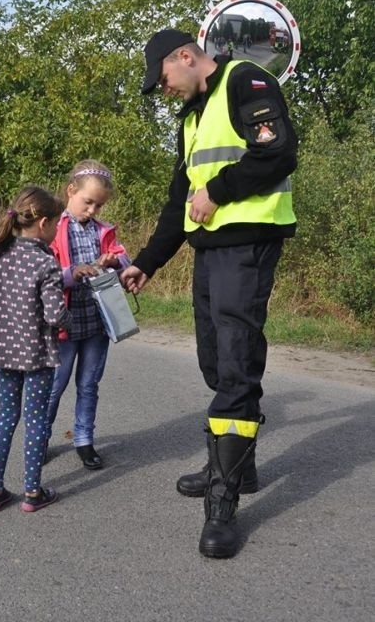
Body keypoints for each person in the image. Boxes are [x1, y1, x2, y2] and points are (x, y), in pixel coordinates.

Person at [121, 29, 297, 558]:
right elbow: (181, 201)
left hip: (248, 244)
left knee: (237, 366)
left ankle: (223, 502)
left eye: (165, 79)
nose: (166, 89)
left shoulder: (247, 79)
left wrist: (218, 191)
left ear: (185, 56)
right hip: (210, 251)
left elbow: (278, 153)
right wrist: (146, 263)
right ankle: (234, 463)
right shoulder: (192, 117)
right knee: (215, 362)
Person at [0, 186, 72, 513]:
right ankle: (32, 492)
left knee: (6, 416)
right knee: (36, 420)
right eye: (55, 223)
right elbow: (55, 315)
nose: (56, 229)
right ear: (42, 223)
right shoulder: (45, 263)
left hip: (2, 352)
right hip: (37, 354)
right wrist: (71, 320)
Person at [45, 159, 131, 470]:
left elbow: (124, 260)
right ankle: (40, 439)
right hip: (63, 323)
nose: (93, 210)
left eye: (99, 205)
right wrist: (71, 273)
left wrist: (114, 262)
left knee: (89, 383)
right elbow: (43, 273)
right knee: (54, 385)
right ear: (71, 191)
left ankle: (84, 439)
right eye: (88, 202)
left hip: (97, 321)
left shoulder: (104, 231)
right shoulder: (53, 229)